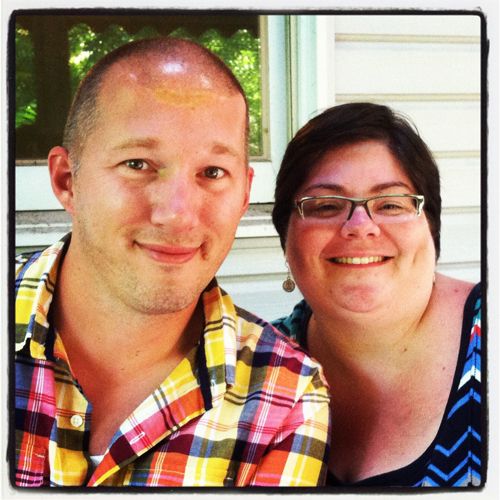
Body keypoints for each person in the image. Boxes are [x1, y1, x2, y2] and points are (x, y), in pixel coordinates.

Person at [13, 37, 330, 487]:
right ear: (67, 181)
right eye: (138, 163)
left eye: (213, 173)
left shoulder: (285, 398)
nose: (178, 213)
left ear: (243, 193)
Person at [272, 102, 483, 487]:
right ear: (285, 238)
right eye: (325, 205)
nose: (360, 226)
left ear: (431, 229)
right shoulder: (253, 366)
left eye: (389, 204)